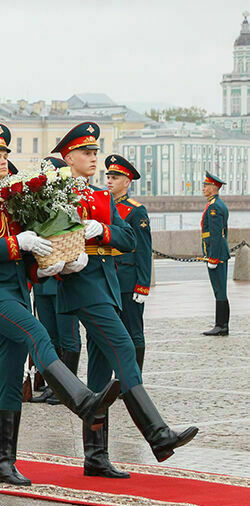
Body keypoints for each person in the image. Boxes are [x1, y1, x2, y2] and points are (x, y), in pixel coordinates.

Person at [0, 123, 122, 486]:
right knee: (37, 332)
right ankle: (81, 399)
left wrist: (51, 264)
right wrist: (18, 244)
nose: (3, 161)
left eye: (5, 156)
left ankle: (3, 464)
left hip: (15, 290)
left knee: (12, 377)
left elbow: (28, 254)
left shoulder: (11, 198)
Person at [52, 122, 198, 476]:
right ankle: (157, 433)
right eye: (86, 153)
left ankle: (96, 457)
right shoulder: (54, 195)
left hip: (107, 285)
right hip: (80, 283)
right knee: (124, 347)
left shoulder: (102, 196)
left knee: (101, 374)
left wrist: (101, 230)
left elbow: (129, 238)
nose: (93, 158)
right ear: (69, 157)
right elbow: (48, 242)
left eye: (94, 152)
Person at [31, 157, 82, 405]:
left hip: (64, 281)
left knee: (68, 336)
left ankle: (69, 388)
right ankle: (54, 386)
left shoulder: (70, 203)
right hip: (44, 282)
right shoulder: (34, 207)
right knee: (49, 337)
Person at [106, 154, 151, 371]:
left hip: (128, 278)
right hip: (110, 277)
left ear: (127, 181)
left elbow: (143, 250)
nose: (109, 180)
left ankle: (135, 380)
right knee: (116, 331)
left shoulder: (135, 210)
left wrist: (143, 285)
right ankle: (120, 375)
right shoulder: (106, 206)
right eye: (108, 176)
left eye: (115, 177)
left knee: (133, 330)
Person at [201, 172, 230, 336]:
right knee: (220, 289)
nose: (203, 189)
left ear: (214, 188)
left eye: (206, 186)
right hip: (218, 252)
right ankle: (222, 324)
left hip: (216, 254)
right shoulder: (217, 204)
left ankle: (221, 325)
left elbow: (217, 234)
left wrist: (213, 256)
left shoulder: (214, 207)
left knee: (220, 290)